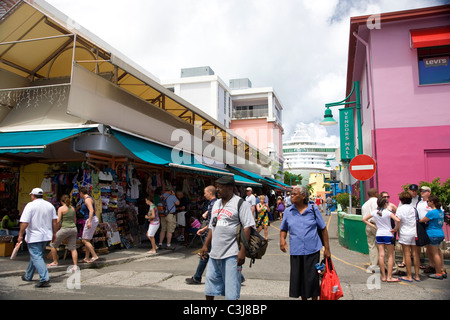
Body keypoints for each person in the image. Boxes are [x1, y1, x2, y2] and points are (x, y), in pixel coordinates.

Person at [200, 176, 254, 300]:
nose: (217, 190)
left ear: (230, 188)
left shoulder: (240, 203)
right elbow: (212, 227)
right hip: (214, 254)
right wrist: (205, 246)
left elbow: (247, 228)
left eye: (220, 187)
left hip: (232, 254)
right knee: (210, 288)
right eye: (217, 187)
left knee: (231, 291)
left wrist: (242, 252)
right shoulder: (216, 204)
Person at [280, 185, 331, 300]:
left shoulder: (313, 209)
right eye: (291, 194)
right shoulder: (288, 211)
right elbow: (283, 229)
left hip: (312, 251)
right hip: (296, 251)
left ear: (303, 196)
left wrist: (327, 249)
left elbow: (323, 229)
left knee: (312, 280)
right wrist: (282, 240)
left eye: (294, 194)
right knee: (300, 281)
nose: (291, 196)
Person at [18, 188, 58, 288]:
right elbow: (54, 221)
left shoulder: (30, 205)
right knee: (36, 256)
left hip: (34, 236)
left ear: (33, 195)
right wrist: (54, 233)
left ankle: (44, 278)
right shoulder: (50, 205)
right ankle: (28, 276)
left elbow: (25, 222)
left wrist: (20, 235)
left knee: (36, 256)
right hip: (46, 235)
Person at [362, 196, 400, 283]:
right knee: (390, 255)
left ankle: (383, 276)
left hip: (379, 234)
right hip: (388, 234)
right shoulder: (387, 212)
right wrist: (395, 229)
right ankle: (389, 276)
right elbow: (397, 220)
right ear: (385, 204)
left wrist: (373, 226)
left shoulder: (375, 212)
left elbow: (364, 219)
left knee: (381, 255)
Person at [186, 185, 217, 285]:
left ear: (210, 193)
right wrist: (203, 229)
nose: (204, 195)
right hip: (211, 233)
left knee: (206, 255)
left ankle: (197, 277)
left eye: (205, 193)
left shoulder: (213, 204)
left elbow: (213, 222)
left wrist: (205, 230)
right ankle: (197, 277)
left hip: (212, 234)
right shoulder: (213, 203)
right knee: (208, 256)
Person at [394, 191, 421, 282]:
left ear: (401, 200)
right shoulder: (414, 208)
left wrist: (395, 229)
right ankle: (417, 275)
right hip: (414, 232)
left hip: (405, 232)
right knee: (415, 254)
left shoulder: (400, 209)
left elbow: (398, 221)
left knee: (407, 254)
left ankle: (409, 275)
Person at [47, 195, 78, 270]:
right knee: (73, 248)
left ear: (61, 201)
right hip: (73, 228)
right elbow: (75, 220)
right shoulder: (73, 208)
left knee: (53, 244)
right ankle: (75, 265)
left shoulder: (61, 209)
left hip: (65, 228)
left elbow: (58, 220)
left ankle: (55, 262)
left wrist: (55, 230)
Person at [419, 195, 447, 279]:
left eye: (428, 201)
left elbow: (422, 220)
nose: (427, 203)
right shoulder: (440, 212)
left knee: (435, 254)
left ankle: (438, 273)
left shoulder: (432, 212)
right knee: (438, 252)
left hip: (432, 234)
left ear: (432, 202)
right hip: (439, 233)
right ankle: (442, 270)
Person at [361, 188, 379, 273]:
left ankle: (373, 265)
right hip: (376, 225)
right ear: (375, 193)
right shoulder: (377, 202)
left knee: (372, 246)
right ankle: (384, 265)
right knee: (382, 246)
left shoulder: (365, 204)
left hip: (368, 225)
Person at [79, 187, 99, 263]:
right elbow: (95, 209)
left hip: (90, 219)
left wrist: (89, 221)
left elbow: (91, 210)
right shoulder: (90, 199)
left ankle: (94, 255)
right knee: (87, 240)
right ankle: (86, 257)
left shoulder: (87, 200)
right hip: (91, 219)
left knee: (84, 240)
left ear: (81, 193)